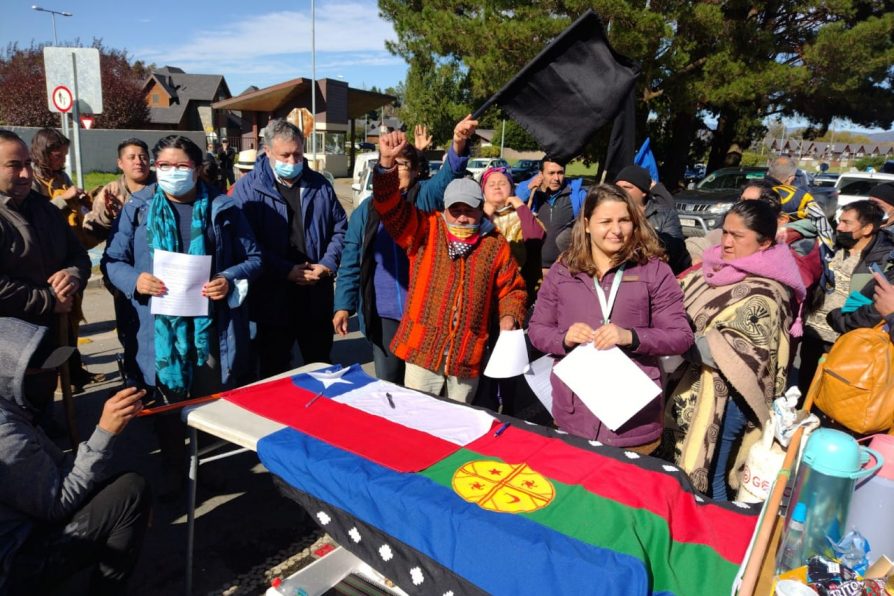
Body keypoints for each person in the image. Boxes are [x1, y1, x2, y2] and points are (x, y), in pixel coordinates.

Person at [103, 135, 262, 494]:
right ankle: (175, 469)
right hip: (159, 331)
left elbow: (254, 259)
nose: (172, 173)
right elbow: (112, 260)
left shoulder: (224, 208)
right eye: (164, 166)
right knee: (167, 406)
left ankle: (204, 466)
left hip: (210, 328)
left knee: (205, 405)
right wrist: (135, 280)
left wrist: (227, 278)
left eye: (182, 166)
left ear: (198, 168)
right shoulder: (139, 208)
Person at [528, 184, 692, 453]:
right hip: (574, 412)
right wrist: (564, 337)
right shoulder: (563, 270)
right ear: (587, 224)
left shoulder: (654, 271)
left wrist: (631, 336)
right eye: (606, 221)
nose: (616, 230)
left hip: (634, 420)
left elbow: (681, 336)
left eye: (624, 220)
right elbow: (537, 330)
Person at [372, 130, 527, 402]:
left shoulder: (494, 244)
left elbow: (513, 289)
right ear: (444, 209)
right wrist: (386, 165)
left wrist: (509, 316)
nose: (463, 218)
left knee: (459, 426)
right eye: (456, 210)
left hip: (466, 357)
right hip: (422, 353)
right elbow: (388, 207)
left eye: (470, 210)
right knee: (417, 423)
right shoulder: (425, 229)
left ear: (482, 209)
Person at [0, 317, 151, 596]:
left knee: (111, 489)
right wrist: (105, 432)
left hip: (25, 522)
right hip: (13, 566)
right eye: (44, 371)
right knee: (131, 491)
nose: (55, 377)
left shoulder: (12, 410)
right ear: (12, 376)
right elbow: (57, 504)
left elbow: (54, 471)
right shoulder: (4, 432)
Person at [670, 201, 805, 498]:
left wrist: (672, 337)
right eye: (725, 232)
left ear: (765, 242)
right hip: (694, 380)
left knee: (712, 474)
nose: (727, 242)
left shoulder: (768, 291)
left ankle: (715, 534)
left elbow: (734, 354)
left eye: (738, 236)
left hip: (732, 398)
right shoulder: (716, 268)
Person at [333, 117, 474, 383]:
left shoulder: (425, 197)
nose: (397, 171)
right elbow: (352, 258)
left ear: (416, 170)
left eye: (404, 165)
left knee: (421, 385)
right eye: (392, 165)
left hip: (422, 313)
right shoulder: (366, 210)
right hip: (383, 312)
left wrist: (458, 145)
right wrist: (343, 305)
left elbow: (447, 177)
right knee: (388, 383)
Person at [234, 119, 347, 376]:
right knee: (274, 371)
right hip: (271, 298)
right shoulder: (248, 189)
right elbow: (246, 243)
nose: (292, 160)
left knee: (320, 367)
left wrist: (327, 265)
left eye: (298, 153)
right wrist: (285, 270)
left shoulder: (320, 185)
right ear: (268, 151)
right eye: (285, 155)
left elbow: (341, 230)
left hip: (315, 295)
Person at [0, 130, 90, 410]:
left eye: (27, 163)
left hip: (47, 341)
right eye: (14, 165)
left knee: (42, 409)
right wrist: (50, 299)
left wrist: (73, 276)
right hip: (7, 347)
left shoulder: (45, 210)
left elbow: (78, 254)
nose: (26, 174)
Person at [29, 128, 104, 392]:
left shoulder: (60, 176)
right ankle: (60, 377)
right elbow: (35, 216)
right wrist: (63, 200)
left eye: (64, 152)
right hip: (47, 261)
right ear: (44, 152)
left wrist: (83, 203)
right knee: (56, 323)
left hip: (67, 252)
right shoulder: (33, 180)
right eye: (57, 152)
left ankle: (74, 371)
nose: (62, 158)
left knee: (71, 320)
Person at [798, 200, 893, 394]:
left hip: (847, 339)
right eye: (839, 221)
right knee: (805, 390)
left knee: (834, 394)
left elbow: (879, 305)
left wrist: (844, 322)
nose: (839, 227)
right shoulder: (828, 246)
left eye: (847, 223)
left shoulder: (883, 261)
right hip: (813, 332)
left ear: (867, 228)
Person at [481, 166, 546, 304]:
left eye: (503, 183)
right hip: (486, 290)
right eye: (491, 184)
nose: (497, 187)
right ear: (484, 192)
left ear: (511, 189)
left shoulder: (524, 215)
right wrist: (485, 216)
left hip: (520, 287)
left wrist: (520, 206)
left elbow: (536, 239)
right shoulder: (476, 217)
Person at [614, 164, 691, 274]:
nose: (620, 192)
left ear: (644, 192)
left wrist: (640, 232)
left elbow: (676, 250)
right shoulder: (611, 214)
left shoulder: (665, 214)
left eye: (627, 188)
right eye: (617, 187)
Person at [516, 158, 587, 275]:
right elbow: (512, 203)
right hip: (533, 269)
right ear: (541, 174)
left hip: (564, 270)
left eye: (560, 173)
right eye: (551, 173)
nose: (556, 178)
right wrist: (529, 189)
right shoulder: (531, 191)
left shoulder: (576, 194)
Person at [83, 137, 156, 244]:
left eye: (143, 157)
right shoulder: (111, 191)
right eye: (131, 157)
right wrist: (108, 216)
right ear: (120, 163)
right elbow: (93, 234)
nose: (138, 162)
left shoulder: (162, 187)